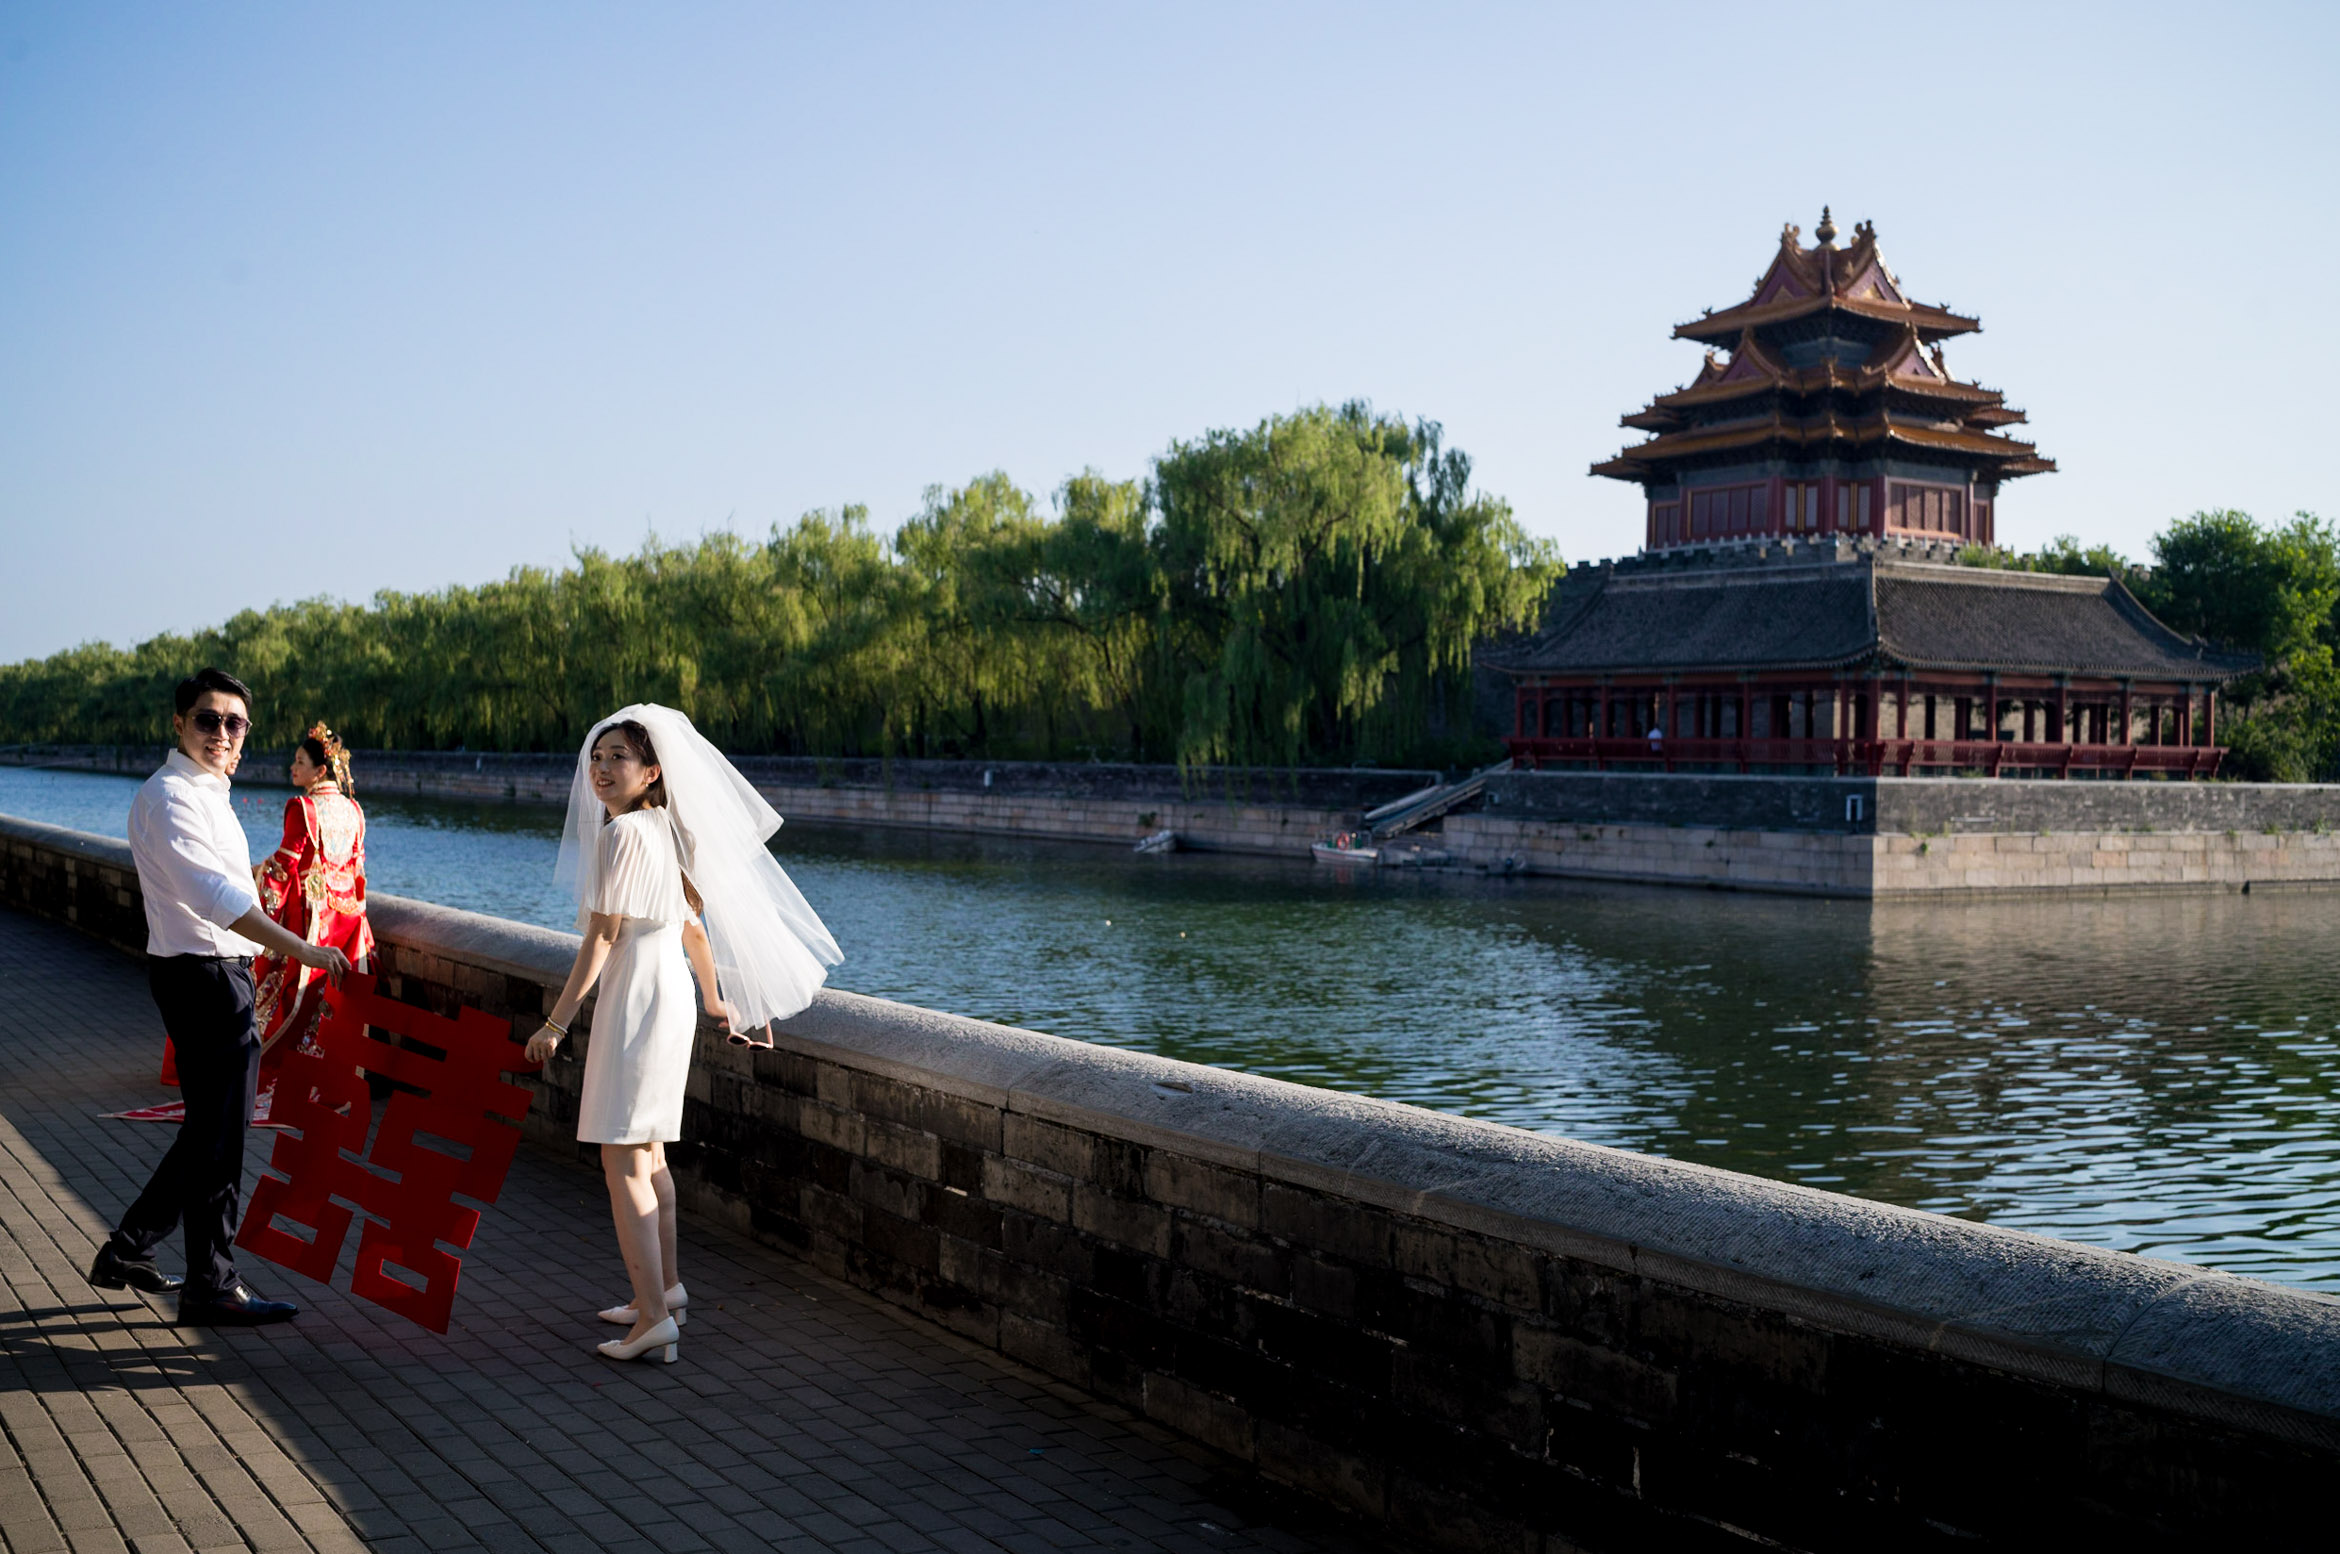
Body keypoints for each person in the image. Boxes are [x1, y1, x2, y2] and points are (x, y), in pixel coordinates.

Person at [523, 705, 840, 1365]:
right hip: (670, 990)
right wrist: (716, 1000)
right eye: (597, 757)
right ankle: (663, 1293)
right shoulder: (669, 828)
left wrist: (556, 1023)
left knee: (622, 1160)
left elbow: (602, 937)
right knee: (651, 1154)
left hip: (637, 991)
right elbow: (694, 928)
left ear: (652, 771)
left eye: (618, 757)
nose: (601, 768)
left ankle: (653, 1320)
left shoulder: (620, 835)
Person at [87, 668, 350, 1326]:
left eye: (236, 723)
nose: (223, 734)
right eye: (208, 720)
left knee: (210, 1128)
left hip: (208, 971)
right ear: (180, 724)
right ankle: (211, 1282)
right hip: (203, 975)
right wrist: (304, 950)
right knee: (222, 1137)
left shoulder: (205, 791)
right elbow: (217, 899)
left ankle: (129, 1248)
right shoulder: (171, 797)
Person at [150, 723, 376, 1120]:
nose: (293, 767)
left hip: (312, 920)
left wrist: (256, 889)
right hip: (350, 921)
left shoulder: (303, 808)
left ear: (320, 771)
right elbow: (357, 872)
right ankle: (337, 1072)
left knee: (282, 994)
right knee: (335, 1006)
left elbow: (286, 865)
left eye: (300, 762)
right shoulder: (354, 810)